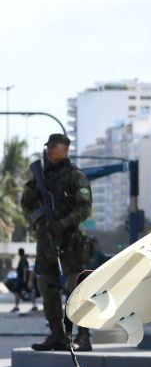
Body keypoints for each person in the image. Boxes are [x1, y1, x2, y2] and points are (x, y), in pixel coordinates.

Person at [20, 133, 93, 352]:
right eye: (48, 147)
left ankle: (83, 335)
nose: (49, 150)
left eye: (54, 146)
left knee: (75, 288)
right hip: (46, 241)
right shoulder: (41, 176)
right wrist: (37, 206)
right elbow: (26, 204)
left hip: (69, 241)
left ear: (66, 148)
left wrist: (60, 225)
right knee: (47, 285)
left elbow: (84, 208)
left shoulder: (75, 176)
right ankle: (57, 334)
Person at [11, 248, 29, 312]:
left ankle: (16, 306)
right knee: (17, 291)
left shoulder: (23, 259)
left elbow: (25, 269)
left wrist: (24, 278)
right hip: (21, 277)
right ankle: (16, 306)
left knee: (17, 291)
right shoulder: (23, 258)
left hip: (21, 278)